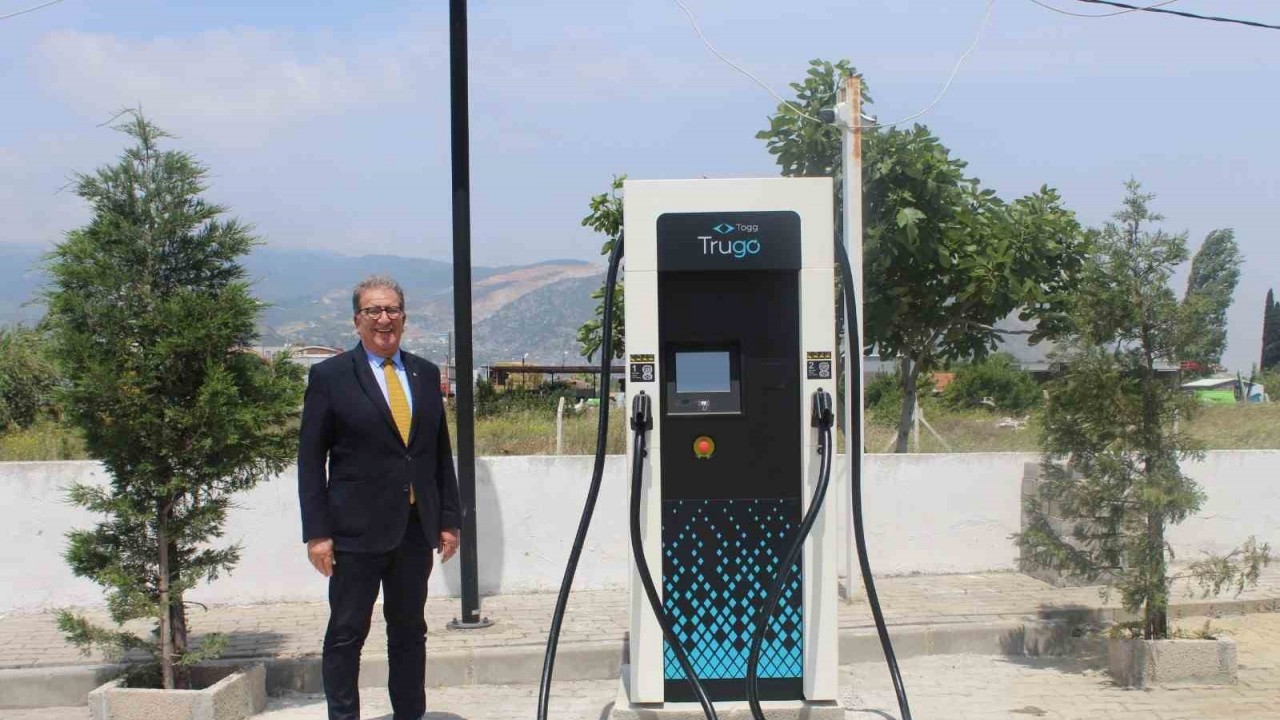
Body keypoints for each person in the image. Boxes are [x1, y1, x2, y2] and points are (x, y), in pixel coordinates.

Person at [298, 275, 462, 720]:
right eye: (373, 310)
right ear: (357, 320)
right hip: (354, 534)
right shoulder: (330, 377)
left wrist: (449, 520)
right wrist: (317, 533)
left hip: (414, 529)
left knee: (409, 633)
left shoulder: (425, 374)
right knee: (346, 635)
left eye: (391, 310)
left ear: (404, 318)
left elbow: (438, 453)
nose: (383, 319)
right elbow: (310, 461)